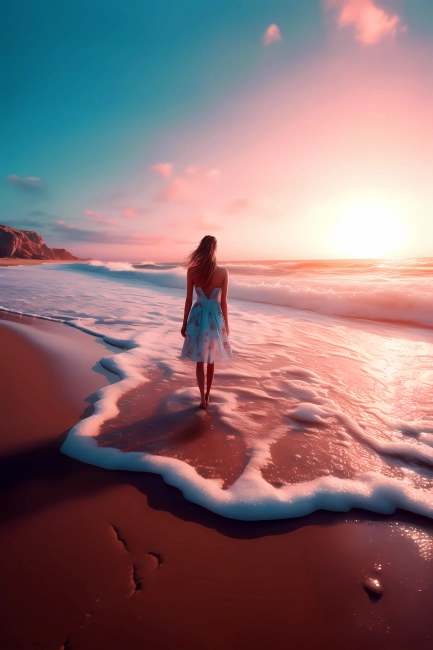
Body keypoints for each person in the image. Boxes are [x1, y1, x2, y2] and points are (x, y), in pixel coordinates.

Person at [180, 235, 232, 408]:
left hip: (198, 316)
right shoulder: (223, 272)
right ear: (214, 249)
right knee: (211, 360)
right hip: (215, 318)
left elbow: (188, 300)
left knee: (200, 360)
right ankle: (208, 396)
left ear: (201, 249)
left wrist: (184, 322)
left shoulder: (192, 271)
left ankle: (202, 397)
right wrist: (226, 325)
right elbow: (223, 302)